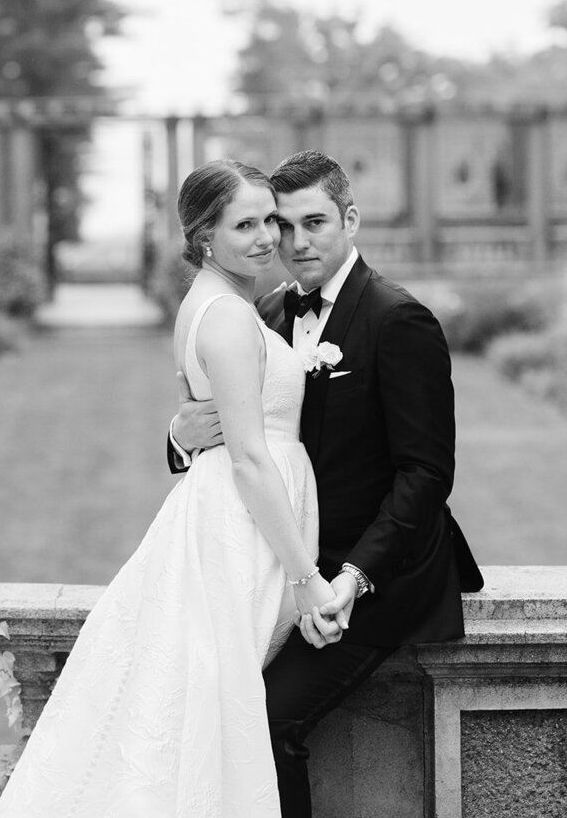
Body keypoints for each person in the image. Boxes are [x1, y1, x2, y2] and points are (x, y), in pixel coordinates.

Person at [0, 159, 334, 818]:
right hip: (243, 528)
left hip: (224, 516)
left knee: (200, 706)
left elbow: (206, 425)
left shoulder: (214, 304)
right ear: (204, 235)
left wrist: (181, 433)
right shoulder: (231, 317)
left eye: (271, 218)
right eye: (246, 223)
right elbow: (248, 459)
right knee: (216, 707)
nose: (268, 236)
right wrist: (307, 576)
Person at [169, 148, 484, 817]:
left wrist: (348, 578)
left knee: (264, 719)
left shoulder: (399, 319)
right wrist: (178, 437)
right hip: (284, 565)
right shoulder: (271, 312)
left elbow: (426, 473)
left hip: (375, 575)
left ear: (350, 218)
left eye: (315, 221)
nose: (295, 241)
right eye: (281, 225)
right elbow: (241, 434)